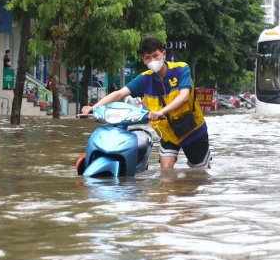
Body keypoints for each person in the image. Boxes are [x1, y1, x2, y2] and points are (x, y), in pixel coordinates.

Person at [81, 37, 211, 168]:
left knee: (200, 175)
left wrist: (160, 112)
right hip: (167, 134)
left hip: (192, 130)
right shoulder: (144, 79)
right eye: (148, 57)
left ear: (163, 55)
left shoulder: (181, 69)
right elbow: (119, 93)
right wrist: (94, 107)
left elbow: (183, 97)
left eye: (156, 56)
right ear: (143, 60)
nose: (153, 60)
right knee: (165, 174)